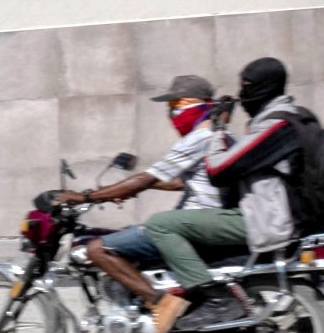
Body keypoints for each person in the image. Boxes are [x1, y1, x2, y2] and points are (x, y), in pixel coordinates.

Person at [140, 58, 306, 333]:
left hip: (261, 218)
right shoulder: (287, 118)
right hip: (268, 213)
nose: (241, 96)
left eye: (247, 87)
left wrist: (218, 125)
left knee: (159, 224)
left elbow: (219, 169)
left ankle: (214, 299)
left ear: (265, 87)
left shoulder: (275, 124)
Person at [57, 73, 225, 314]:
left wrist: (86, 197)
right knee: (128, 233)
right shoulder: (218, 136)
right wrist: (130, 189)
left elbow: (147, 178)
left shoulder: (199, 138)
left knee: (96, 249)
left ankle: (161, 305)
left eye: (176, 104)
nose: (171, 112)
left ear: (196, 104)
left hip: (193, 223)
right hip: (203, 221)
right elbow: (181, 182)